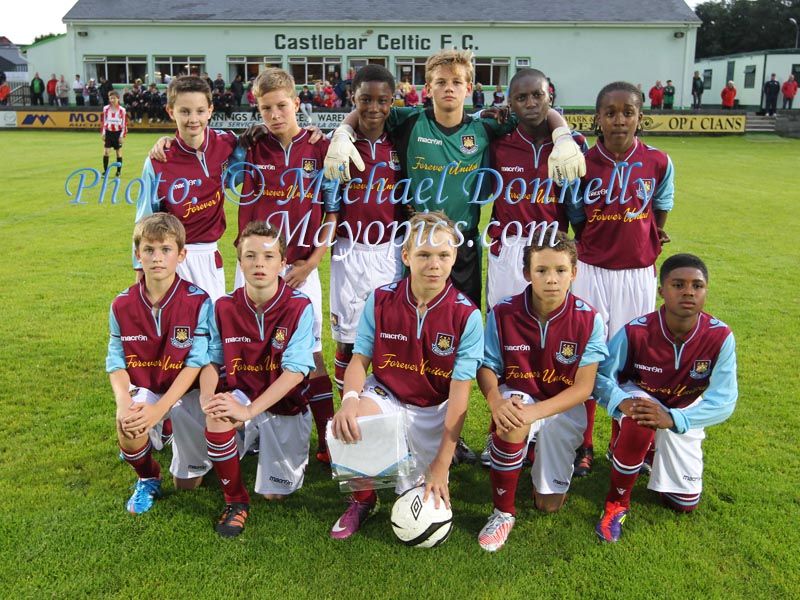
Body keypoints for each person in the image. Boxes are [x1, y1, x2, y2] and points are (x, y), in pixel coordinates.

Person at [329, 212, 484, 539]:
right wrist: (349, 401)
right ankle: (363, 500)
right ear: (406, 256)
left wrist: (441, 465)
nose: (434, 264)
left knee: (416, 495)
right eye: (424, 255)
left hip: (432, 410)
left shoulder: (466, 315)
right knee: (348, 421)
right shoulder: (382, 298)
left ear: (454, 256)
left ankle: (438, 457)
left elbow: (458, 399)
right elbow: (359, 359)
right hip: (387, 396)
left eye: (443, 255)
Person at [566, 81, 675, 477]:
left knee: (631, 361)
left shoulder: (658, 161)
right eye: (610, 112)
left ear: (639, 117)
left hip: (637, 273)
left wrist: (650, 233)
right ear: (598, 118)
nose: (619, 120)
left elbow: (660, 206)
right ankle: (584, 442)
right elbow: (576, 217)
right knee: (587, 357)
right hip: (592, 270)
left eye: (627, 111)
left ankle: (623, 438)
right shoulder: (581, 163)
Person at [477, 232, 607, 552]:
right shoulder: (504, 313)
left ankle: (531, 452)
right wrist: (495, 400)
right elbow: (487, 367)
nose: (552, 279)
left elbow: (584, 387)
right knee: (515, 417)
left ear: (574, 273)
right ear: (526, 274)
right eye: (542, 270)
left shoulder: (589, 319)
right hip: (519, 396)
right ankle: (502, 512)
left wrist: (537, 412)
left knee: (548, 505)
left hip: (563, 404)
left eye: (561, 271)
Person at [593, 253, 737, 543]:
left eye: (697, 286)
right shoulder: (636, 331)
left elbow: (724, 401)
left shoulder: (720, 336)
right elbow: (599, 377)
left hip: (683, 408)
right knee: (640, 418)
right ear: (662, 291)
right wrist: (621, 402)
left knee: (684, 503)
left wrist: (673, 418)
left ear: (705, 291)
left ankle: (648, 452)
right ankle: (616, 504)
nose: (688, 292)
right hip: (642, 397)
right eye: (678, 284)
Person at [235, 67, 336, 463]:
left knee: (309, 354)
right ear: (257, 110)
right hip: (254, 268)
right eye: (265, 109)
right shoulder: (248, 148)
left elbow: (332, 213)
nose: (275, 115)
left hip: (298, 270)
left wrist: (311, 264)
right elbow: (203, 146)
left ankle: (327, 438)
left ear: (296, 103)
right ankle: (255, 429)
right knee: (250, 351)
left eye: (281, 106)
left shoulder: (320, 149)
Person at [199, 222, 316, 537]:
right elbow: (212, 359)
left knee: (277, 494)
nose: (259, 264)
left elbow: (295, 372)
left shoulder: (300, 307)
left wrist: (249, 413)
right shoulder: (223, 306)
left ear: (282, 263)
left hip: (286, 404)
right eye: (250, 256)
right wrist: (208, 398)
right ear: (240, 262)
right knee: (217, 415)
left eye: (268, 256)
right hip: (243, 396)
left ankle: (259, 439)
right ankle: (236, 500)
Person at [106, 213, 213, 514]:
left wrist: (160, 409)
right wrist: (123, 401)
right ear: (137, 254)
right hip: (149, 388)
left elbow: (195, 363)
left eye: (165, 250)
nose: (157, 258)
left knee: (188, 484)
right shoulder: (122, 304)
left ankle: (168, 426)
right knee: (128, 423)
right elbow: (116, 360)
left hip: (188, 392)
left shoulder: (199, 301)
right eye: (149, 250)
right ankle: (148, 476)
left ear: (181, 255)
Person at [325, 64, 405, 397]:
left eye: (382, 100)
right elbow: (330, 196)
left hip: (392, 250)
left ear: (392, 100)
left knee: (392, 339)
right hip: (349, 250)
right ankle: (348, 413)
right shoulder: (339, 144)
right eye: (365, 99)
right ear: (352, 97)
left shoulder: (401, 140)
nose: (374, 108)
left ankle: (388, 417)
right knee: (347, 342)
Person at [484, 68, 588, 310]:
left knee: (551, 325)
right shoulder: (499, 144)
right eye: (521, 98)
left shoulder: (573, 144)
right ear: (510, 103)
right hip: (509, 247)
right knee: (502, 325)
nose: (530, 103)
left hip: (553, 247)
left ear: (549, 97)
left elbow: (579, 203)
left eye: (537, 95)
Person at [135, 76, 242, 302]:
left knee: (212, 328)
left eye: (200, 111)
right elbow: (144, 218)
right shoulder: (158, 160)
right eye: (184, 111)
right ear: (170, 111)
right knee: (174, 329)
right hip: (170, 254)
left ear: (211, 110)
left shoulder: (227, 142)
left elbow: (247, 164)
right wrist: (140, 269)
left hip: (209, 253)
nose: (193, 119)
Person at [101, 90, 127, 177]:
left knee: (118, 152)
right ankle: (105, 171)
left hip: (117, 133)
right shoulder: (106, 109)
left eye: (114, 98)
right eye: (111, 98)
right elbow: (104, 121)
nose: (112, 100)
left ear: (118, 99)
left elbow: (124, 124)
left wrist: (122, 136)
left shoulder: (122, 110)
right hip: (108, 132)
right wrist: (103, 133)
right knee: (106, 152)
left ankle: (118, 172)